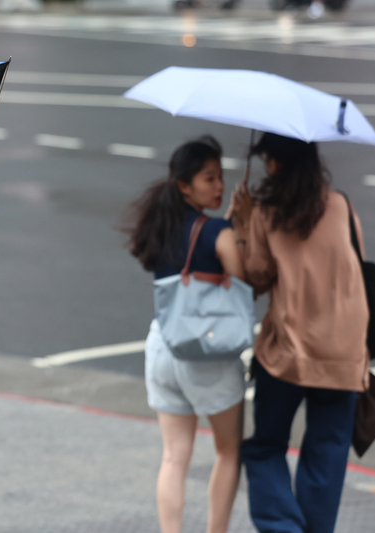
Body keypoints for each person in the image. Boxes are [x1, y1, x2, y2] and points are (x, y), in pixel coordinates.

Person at [228, 132, 368, 533]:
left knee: (265, 447)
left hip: (288, 354)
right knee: (327, 453)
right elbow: (357, 261)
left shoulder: (266, 213)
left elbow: (256, 277)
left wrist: (243, 223)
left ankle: (283, 527)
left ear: (273, 163)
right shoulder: (340, 206)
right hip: (344, 354)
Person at [125, 136, 246, 533]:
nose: (219, 185)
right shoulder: (218, 231)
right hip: (208, 354)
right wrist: (236, 227)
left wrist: (226, 222)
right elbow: (242, 280)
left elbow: (196, 246)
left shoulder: (161, 226)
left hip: (163, 346)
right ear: (184, 185)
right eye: (209, 178)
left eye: (220, 176)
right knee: (228, 452)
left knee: (174, 458)